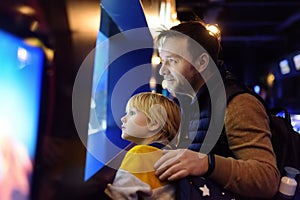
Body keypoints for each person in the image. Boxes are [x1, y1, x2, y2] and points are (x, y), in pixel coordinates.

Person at [153, 20, 280, 199]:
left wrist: (208, 163)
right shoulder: (192, 101)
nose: (162, 71)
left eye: (172, 61)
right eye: (163, 61)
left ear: (202, 62)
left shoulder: (238, 103)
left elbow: (267, 180)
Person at [104, 92, 181, 199]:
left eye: (131, 113)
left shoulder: (141, 154)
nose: (123, 119)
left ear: (154, 124)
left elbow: (118, 197)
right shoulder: (174, 155)